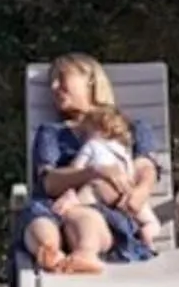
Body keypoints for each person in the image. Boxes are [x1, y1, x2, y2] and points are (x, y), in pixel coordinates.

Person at [16, 54, 161, 275]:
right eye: (51, 83)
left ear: (91, 81)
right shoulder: (52, 132)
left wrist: (140, 192)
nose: (54, 87)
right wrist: (93, 171)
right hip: (54, 205)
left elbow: (145, 167)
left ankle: (84, 255)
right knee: (39, 219)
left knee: (86, 218)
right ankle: (50, 253)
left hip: (103, 209)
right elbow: (49, 183)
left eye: (62, 78)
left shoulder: (132, 128)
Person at [49, 104, 162, 251]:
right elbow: (131, 173)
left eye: (87, 132)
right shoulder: (124, 152)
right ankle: (148, 238)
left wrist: (73, 183)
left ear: (102, 130)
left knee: (86, 192)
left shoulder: (92, 145)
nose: (84, 138)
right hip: (126, 193)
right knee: (152, 222)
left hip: (100, 186)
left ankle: (73, 202)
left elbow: (76, 170)